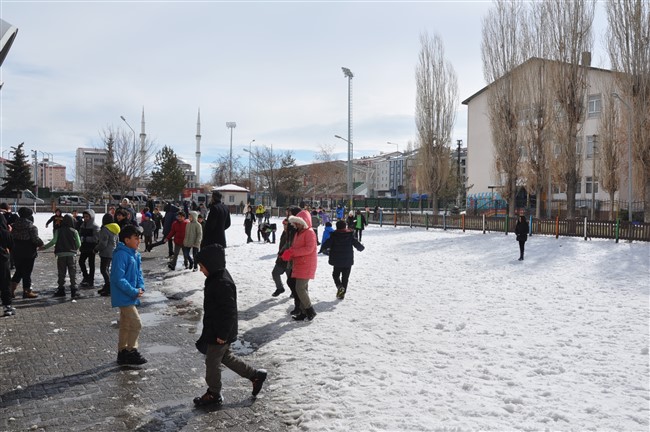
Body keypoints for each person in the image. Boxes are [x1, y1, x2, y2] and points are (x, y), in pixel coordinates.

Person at [192, 244, 267, 406]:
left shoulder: (222, 283)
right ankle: (255, 375)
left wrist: (222, 334)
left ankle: (214, 393)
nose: (200, 270)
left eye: (202, 267)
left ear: (211, 265)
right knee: (225, 357)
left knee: (212, 362)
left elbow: (229, 311)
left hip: (219, 331)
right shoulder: (216, 277)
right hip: (217, 328)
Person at [110, 224, 147, 365]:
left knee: (125, 324)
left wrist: (141, 287)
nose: (139, 241)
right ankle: (131, 350)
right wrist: (133, 291)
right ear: (126, 240)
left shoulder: (135, 254)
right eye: (136, 238)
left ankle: (122, 352)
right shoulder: (121, 254)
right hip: (123, 296)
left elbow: (139, 274)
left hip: (130, 295)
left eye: (139, 238)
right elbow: (118, 278)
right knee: (136, 323)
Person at [281, 209, 318, 321]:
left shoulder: (310, 232)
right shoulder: (299, 233)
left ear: (303, 222)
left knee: (300, 288)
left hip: (306, 264)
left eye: (297, 222)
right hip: (300, 263)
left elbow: (309, 249)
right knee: (302, 289)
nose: (295, 225)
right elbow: (296, 247)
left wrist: (293, 252)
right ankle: (303, 312)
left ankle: (310, 310)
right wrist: (288, 253)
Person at [322, 220, 365, 300]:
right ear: (345, 226)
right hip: (348, 260)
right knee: (345, 278)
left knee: (335, 275)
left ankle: (339, 286)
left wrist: (323, 249)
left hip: (337, 261)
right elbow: (357, 245)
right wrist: (361, 247)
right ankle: (342, 293)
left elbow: (325, 245)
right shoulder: (350, 235)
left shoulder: (334, 235)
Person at [41, 214, 82, 299]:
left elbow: (53, 241)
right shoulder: (74, 231)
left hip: (61, 254)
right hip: (71, 254)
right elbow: (78, 244)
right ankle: (74, 290)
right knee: (72, 272)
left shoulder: (58, 231)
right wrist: (74, 249)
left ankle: (61, 289)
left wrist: (44, 247)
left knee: (61, 272)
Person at [10, 207, 44, 299]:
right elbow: (35, 239)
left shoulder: (13, 225)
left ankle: (11, 290)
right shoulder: (31, 227)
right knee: (27, 272)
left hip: (16, 251)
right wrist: (41, 244)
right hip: (29, 252)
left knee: (19, 271)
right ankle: (27, 291)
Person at [96, 213, 120, 297]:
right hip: (113, 251)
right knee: (107, 269)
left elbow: (103, 243)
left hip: (106, 252)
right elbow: (117, 241)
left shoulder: (105, 229)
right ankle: (107, 287)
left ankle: (109, 287)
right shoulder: (115, 228)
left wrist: (96, 249)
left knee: (104, 270)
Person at [78, 209, 100, 287]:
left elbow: (96, 239)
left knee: (91, 264)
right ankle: (86, 276)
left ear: (91, 217)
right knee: (81, 261)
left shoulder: (95, 226)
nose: (86, 218)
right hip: (84, 247)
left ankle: (91, 279)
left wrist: (85, 238)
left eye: (87, 217)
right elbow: (79, 234)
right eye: (84, 217)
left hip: (91, 248)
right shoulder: (82, 225)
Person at [0, 213, 15, 316]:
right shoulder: (5, 233)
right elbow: (11, 245)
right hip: (2, 260)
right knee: (5, 283)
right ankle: (7, 307)